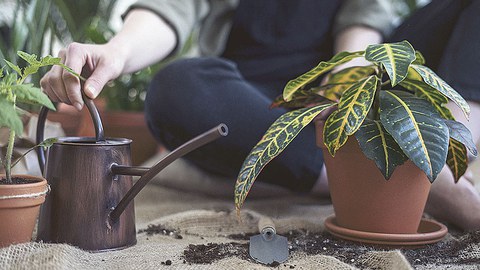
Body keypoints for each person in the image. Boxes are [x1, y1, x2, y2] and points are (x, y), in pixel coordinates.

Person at [40, 0, 480, 231]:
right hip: (249, 96)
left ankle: (456, 156)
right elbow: (168, 10)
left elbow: (362, 28)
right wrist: (115, 54)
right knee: (176, 89)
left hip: (341, 79)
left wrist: (343, 97)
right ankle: (393, 174)